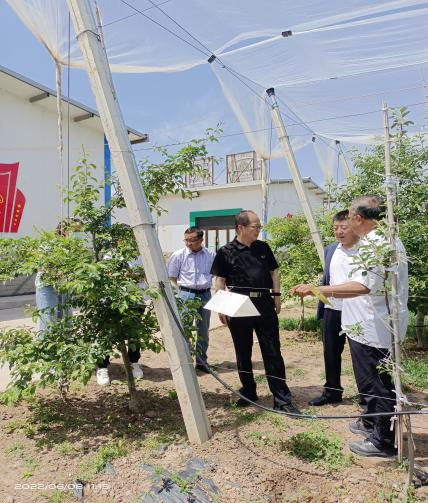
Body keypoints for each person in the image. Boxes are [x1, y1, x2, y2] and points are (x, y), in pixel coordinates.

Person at [292, 196, 409, 458]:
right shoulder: (381, 240)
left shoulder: (376, 244)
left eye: (349, 219)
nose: (344, 226)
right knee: (368, 382)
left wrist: (317, 289)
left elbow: (363, 286)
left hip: (374, 327)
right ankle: (370, 422)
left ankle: (382, 440)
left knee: (376, 384)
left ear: (357, 218)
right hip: (366, 325)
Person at [210, 210, 300, 414]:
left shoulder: (263, 247)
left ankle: (282, 399)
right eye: (256, 226)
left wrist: (276, 296)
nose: (259, 230)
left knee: (273, 350)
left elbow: (274, 271)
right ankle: (248, 391)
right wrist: (222, 307)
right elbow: (220, 281)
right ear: (241, 228)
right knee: (243, 350)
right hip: (238, 302)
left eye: (259, 226)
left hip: (264, 303)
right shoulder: (226, 251)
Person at [309, 210, 359, 406]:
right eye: (335, 228)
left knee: (359, 354)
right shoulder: (331, 249)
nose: (338, 232)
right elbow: (327, 280)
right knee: (330, 352)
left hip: (357, 310)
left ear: (354, 226)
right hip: (333, 310)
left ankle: (368, 396)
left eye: (343, 227)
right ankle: (332, 392)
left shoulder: (364, 250)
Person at [167, 227, 215, 372]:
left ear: (201, 240)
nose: (188, 243)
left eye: (192, 240)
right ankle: (185, 362)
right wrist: (185, 291)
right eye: (186, 240)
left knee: (203, 330)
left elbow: (215, 274)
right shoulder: (178, 255)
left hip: (205, 295)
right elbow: (172, 277)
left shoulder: (211, 255)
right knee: (184, 328)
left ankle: (202, 362)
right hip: (186, 294)